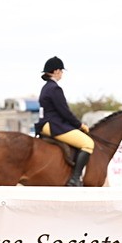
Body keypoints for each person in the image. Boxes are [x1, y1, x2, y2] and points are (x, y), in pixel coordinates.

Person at [36, 56, 93, 186]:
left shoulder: (46, 87)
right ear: (56, 71)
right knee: (88, 143)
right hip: (53, 124)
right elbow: (65, 112)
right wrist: (80, 125)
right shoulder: (55, 88)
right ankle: (74, 179)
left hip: (45, 123)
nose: (62, 74)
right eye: (61, 71)